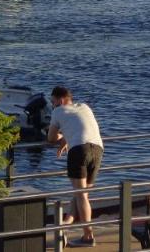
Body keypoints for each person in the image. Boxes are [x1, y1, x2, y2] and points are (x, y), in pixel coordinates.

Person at [48, 85, 104, 246]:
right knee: (82, 195)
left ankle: (88, 236)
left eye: (53, 102)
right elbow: (79, 125)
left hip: (79, 151)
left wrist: (61, 137)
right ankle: (65, 226)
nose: (53, 105)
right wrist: (67, 138)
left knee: (81, 195)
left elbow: (51, 137)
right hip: (98, 149)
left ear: (61, 99)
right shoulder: (84, 107)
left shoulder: (58, 111)